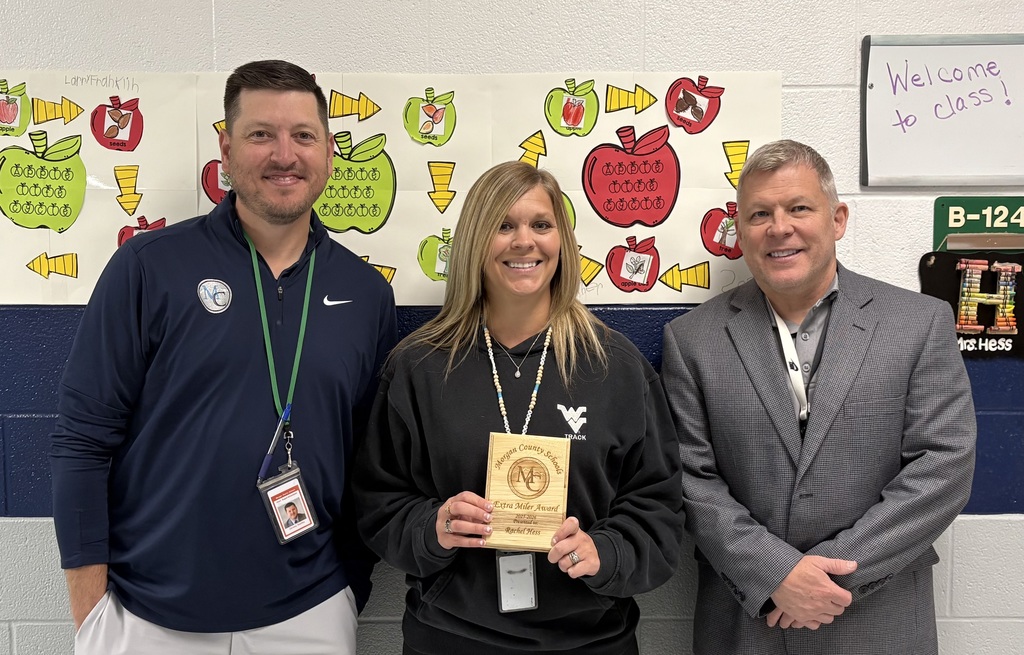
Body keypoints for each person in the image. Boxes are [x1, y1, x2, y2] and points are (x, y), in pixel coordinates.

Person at [51, 59, 397, 654]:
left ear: (328, 152)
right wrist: (92, 612)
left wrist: (348, 589)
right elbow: (82, 439)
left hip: (310, 614)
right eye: (261, 134)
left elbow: (370, 460)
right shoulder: (150, 266)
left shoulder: (366, 294)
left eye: (303, 135)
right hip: (148, 616)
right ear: (227, 149)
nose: (284, 154)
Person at [352, 161, 683, 655]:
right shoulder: (418, 365)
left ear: (562, 241)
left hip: (590, 640)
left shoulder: (616, 366)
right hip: (450, 638)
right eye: (503, 225)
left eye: (541, 224)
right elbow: (377, 499)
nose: (524, 241)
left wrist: (607, 552)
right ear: (474, 241)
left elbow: (659, 505)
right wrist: (432, 527)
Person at [661, 139, 976, 654]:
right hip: (747, 623)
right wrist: (775, 573)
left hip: (878, 619)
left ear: (838, 219)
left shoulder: (918, 323)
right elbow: (689, 476)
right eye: (759, 214)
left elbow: (943, 466)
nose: (779, 227)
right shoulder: (692, 339)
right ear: (739, 230)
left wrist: (830, 577)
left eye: (799, 208)